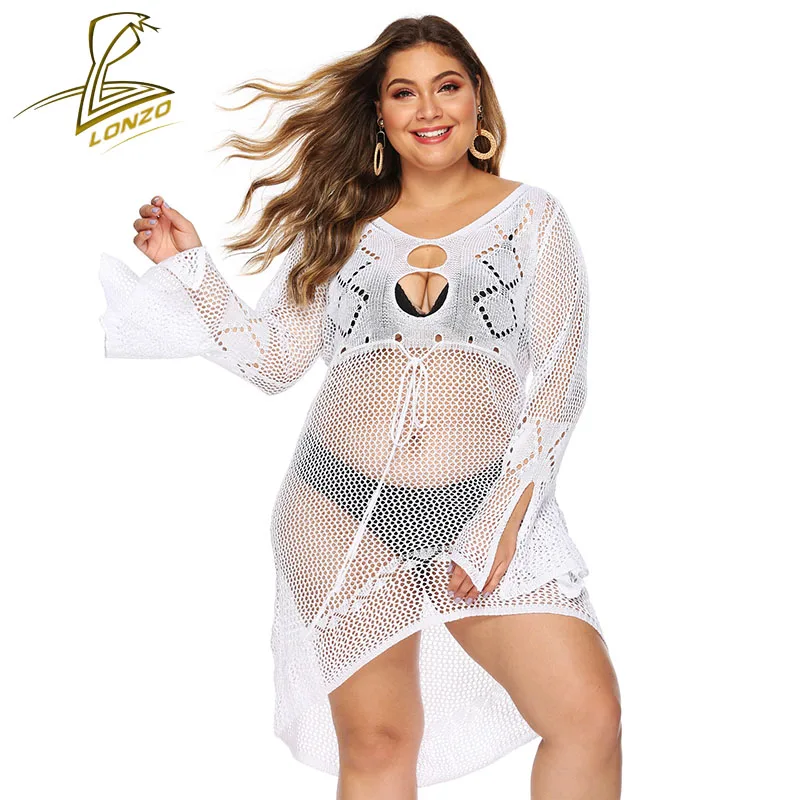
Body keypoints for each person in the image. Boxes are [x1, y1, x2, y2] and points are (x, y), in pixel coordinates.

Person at [98, 14, 622, 799]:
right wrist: (192, 270)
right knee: (378, 743)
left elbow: (558, 383)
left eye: (447, 87)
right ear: (380, 114)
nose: (428, 110)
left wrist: (500, 522)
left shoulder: (531, 217)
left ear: (478, 99)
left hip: (485, 502)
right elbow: (275, 361)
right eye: (404, 93)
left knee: (588, 718)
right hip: (337, 509)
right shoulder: (340, 223)